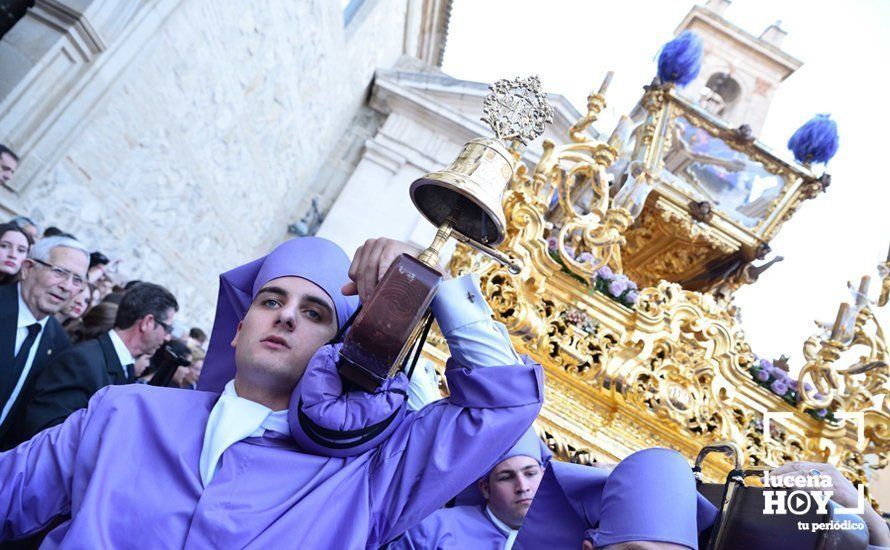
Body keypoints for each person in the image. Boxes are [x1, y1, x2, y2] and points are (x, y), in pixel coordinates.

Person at [0, 236, 543, 548]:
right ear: (238, 329)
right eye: (270, 301)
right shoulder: (123, 413)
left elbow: (501, 400)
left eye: (314, 313)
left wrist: (427, 280)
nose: (285, 315)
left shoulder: (367, 482)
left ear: (336, 351)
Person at [16, 282, 178, 442]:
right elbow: (46, 432)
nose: (167, 337)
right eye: (168, 329)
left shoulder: (124, 367)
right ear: (147, 322)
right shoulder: (82, 362)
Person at [388, 428, 550, 549]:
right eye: (506, 477)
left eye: (530, 473)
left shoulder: (564, 539)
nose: (522, 487)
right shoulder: (437, 528)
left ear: (544, 475)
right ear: (485, 488)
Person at [0, 236, 89, 446]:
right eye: (59, 272)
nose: (67, 286)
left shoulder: (59, 342)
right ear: (28, 268)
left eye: (77, 280)